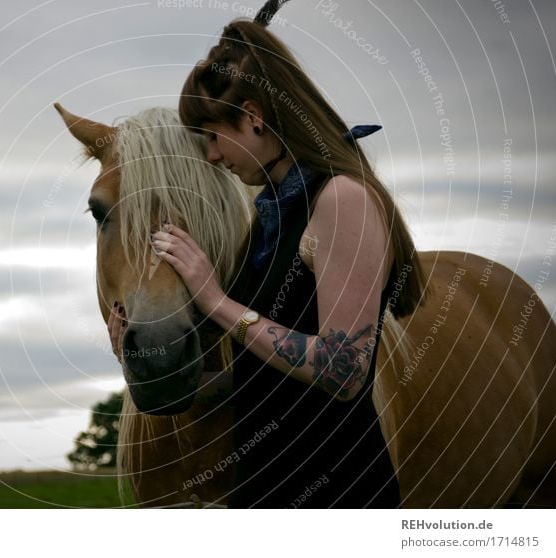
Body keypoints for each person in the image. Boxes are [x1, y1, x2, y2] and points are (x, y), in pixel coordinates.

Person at [109, 1, 427, 508]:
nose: (212, 156)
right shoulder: (270, 219)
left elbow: (342, 372)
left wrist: (217, 302)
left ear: (253, 118)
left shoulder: (341, 199)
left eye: (214, 136)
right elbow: (265, 378)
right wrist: (147, 358)